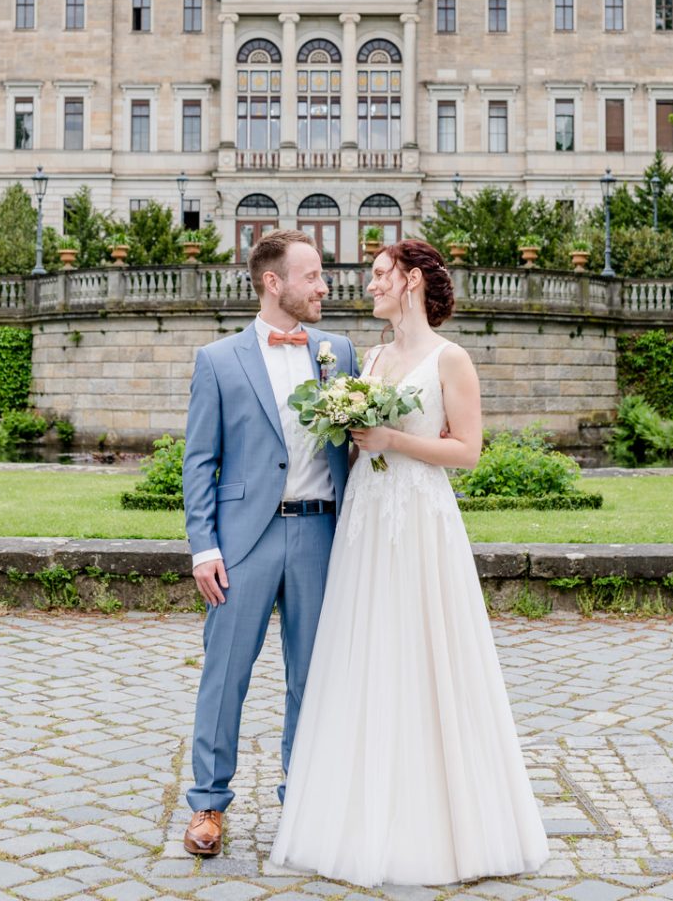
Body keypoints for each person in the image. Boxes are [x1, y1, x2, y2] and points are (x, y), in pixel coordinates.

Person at [270, 239, 550, 886]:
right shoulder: (368, 357)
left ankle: (442, 817)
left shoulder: (451, 360)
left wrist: (392, 438)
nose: (367, 285)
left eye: (378, 275)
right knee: (365, 653)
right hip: (367, 521)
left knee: (428, 654)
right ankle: (353, 810)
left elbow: (469, 451)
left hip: (421, 520)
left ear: (413, 282)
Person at [180, 230, 358, 857]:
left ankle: (301, 796)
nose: (325, 287)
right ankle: (207, 804)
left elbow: (360, 446)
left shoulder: (340, 352)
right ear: (273, 283)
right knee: (225, 674)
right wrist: (204, 547)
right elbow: (199, 462)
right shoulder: (219, 361)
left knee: (313, 676)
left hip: (319, 533)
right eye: (313, 276)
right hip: (242, 543)